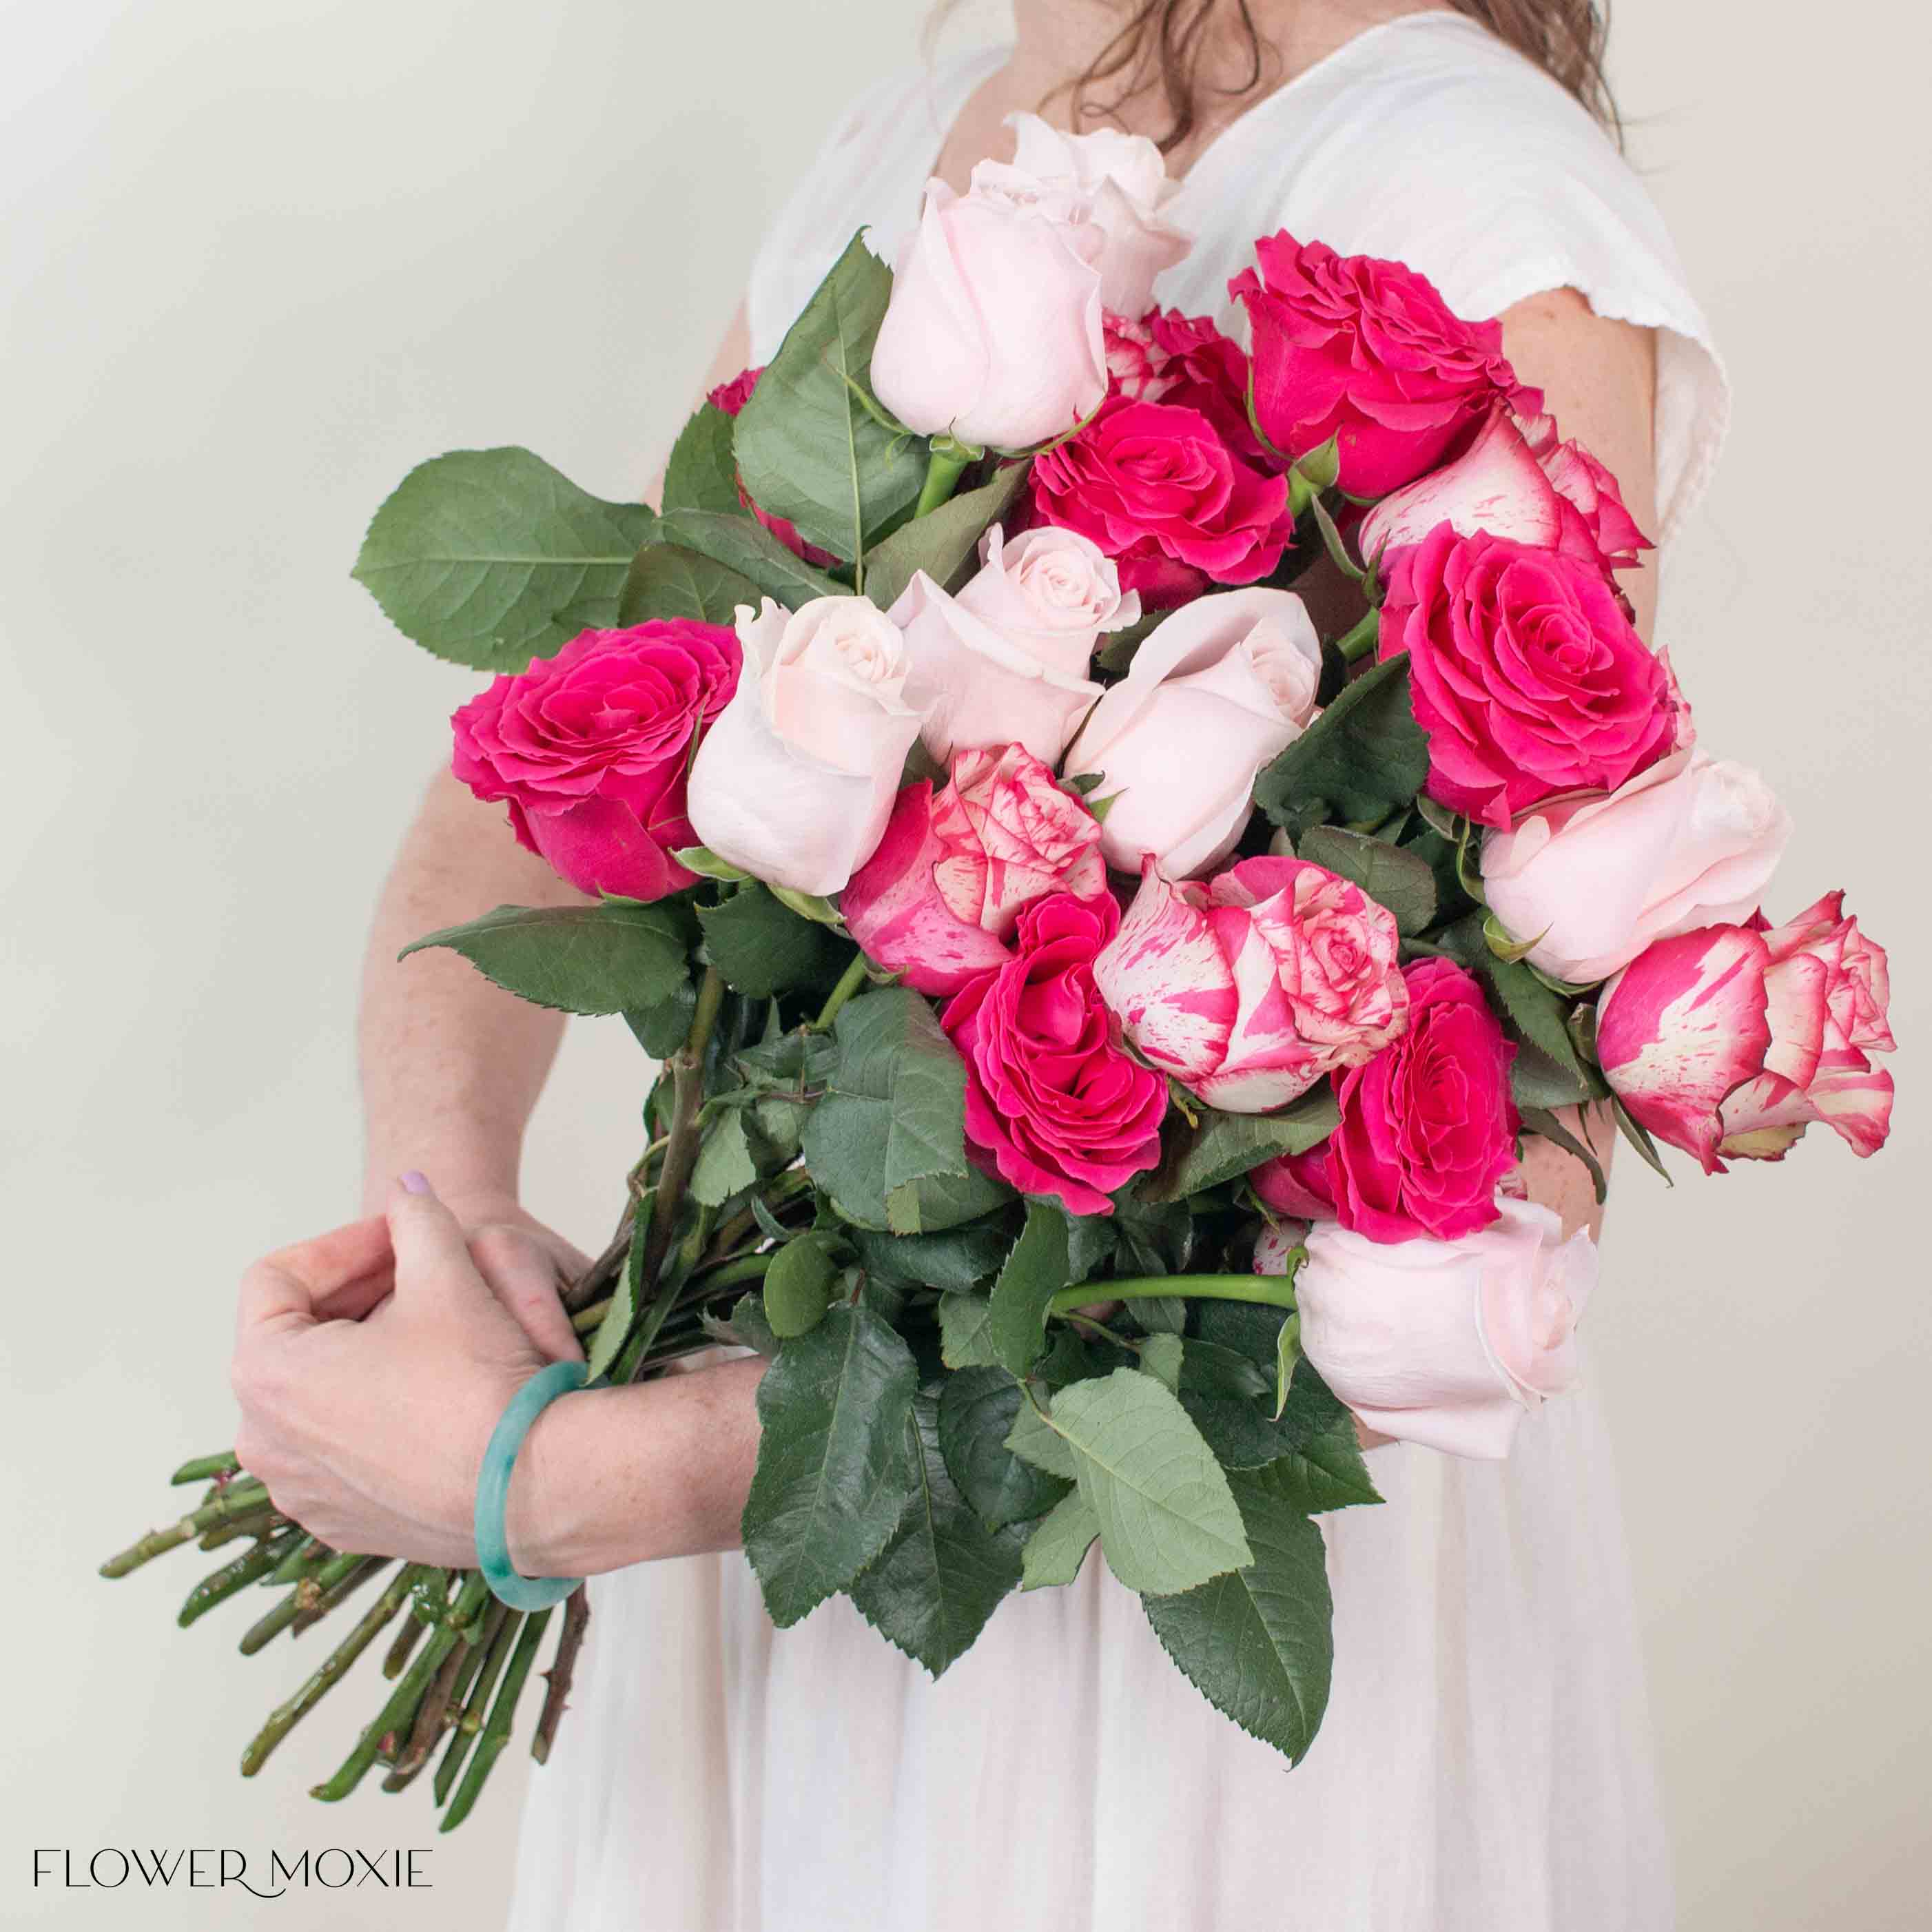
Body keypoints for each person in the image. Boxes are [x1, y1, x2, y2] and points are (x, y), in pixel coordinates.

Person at [228, 3, 1725, 1924]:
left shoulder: (1476, 208)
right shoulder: (924, 130)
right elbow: (568, 737)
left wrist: (570, 1483)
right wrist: (438, 1240)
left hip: (1133, 1604)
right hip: (783, 1480)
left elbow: (1493, 1162)